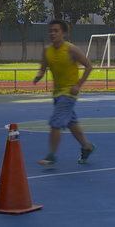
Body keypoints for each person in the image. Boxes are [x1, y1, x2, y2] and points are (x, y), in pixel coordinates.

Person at [30, 18, 95, 167]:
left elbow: (89, 66)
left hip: (69, 92)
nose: (52, 33)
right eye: (51, 31)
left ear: (64, 33)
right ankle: (87, 147)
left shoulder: (71, 49)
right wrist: (39, 75)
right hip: (57, 93)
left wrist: (78, 85)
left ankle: (51, 156)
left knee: (56, 122)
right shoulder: (47, 50)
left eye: (56, 31)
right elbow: (43, 67)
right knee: (72, 122)